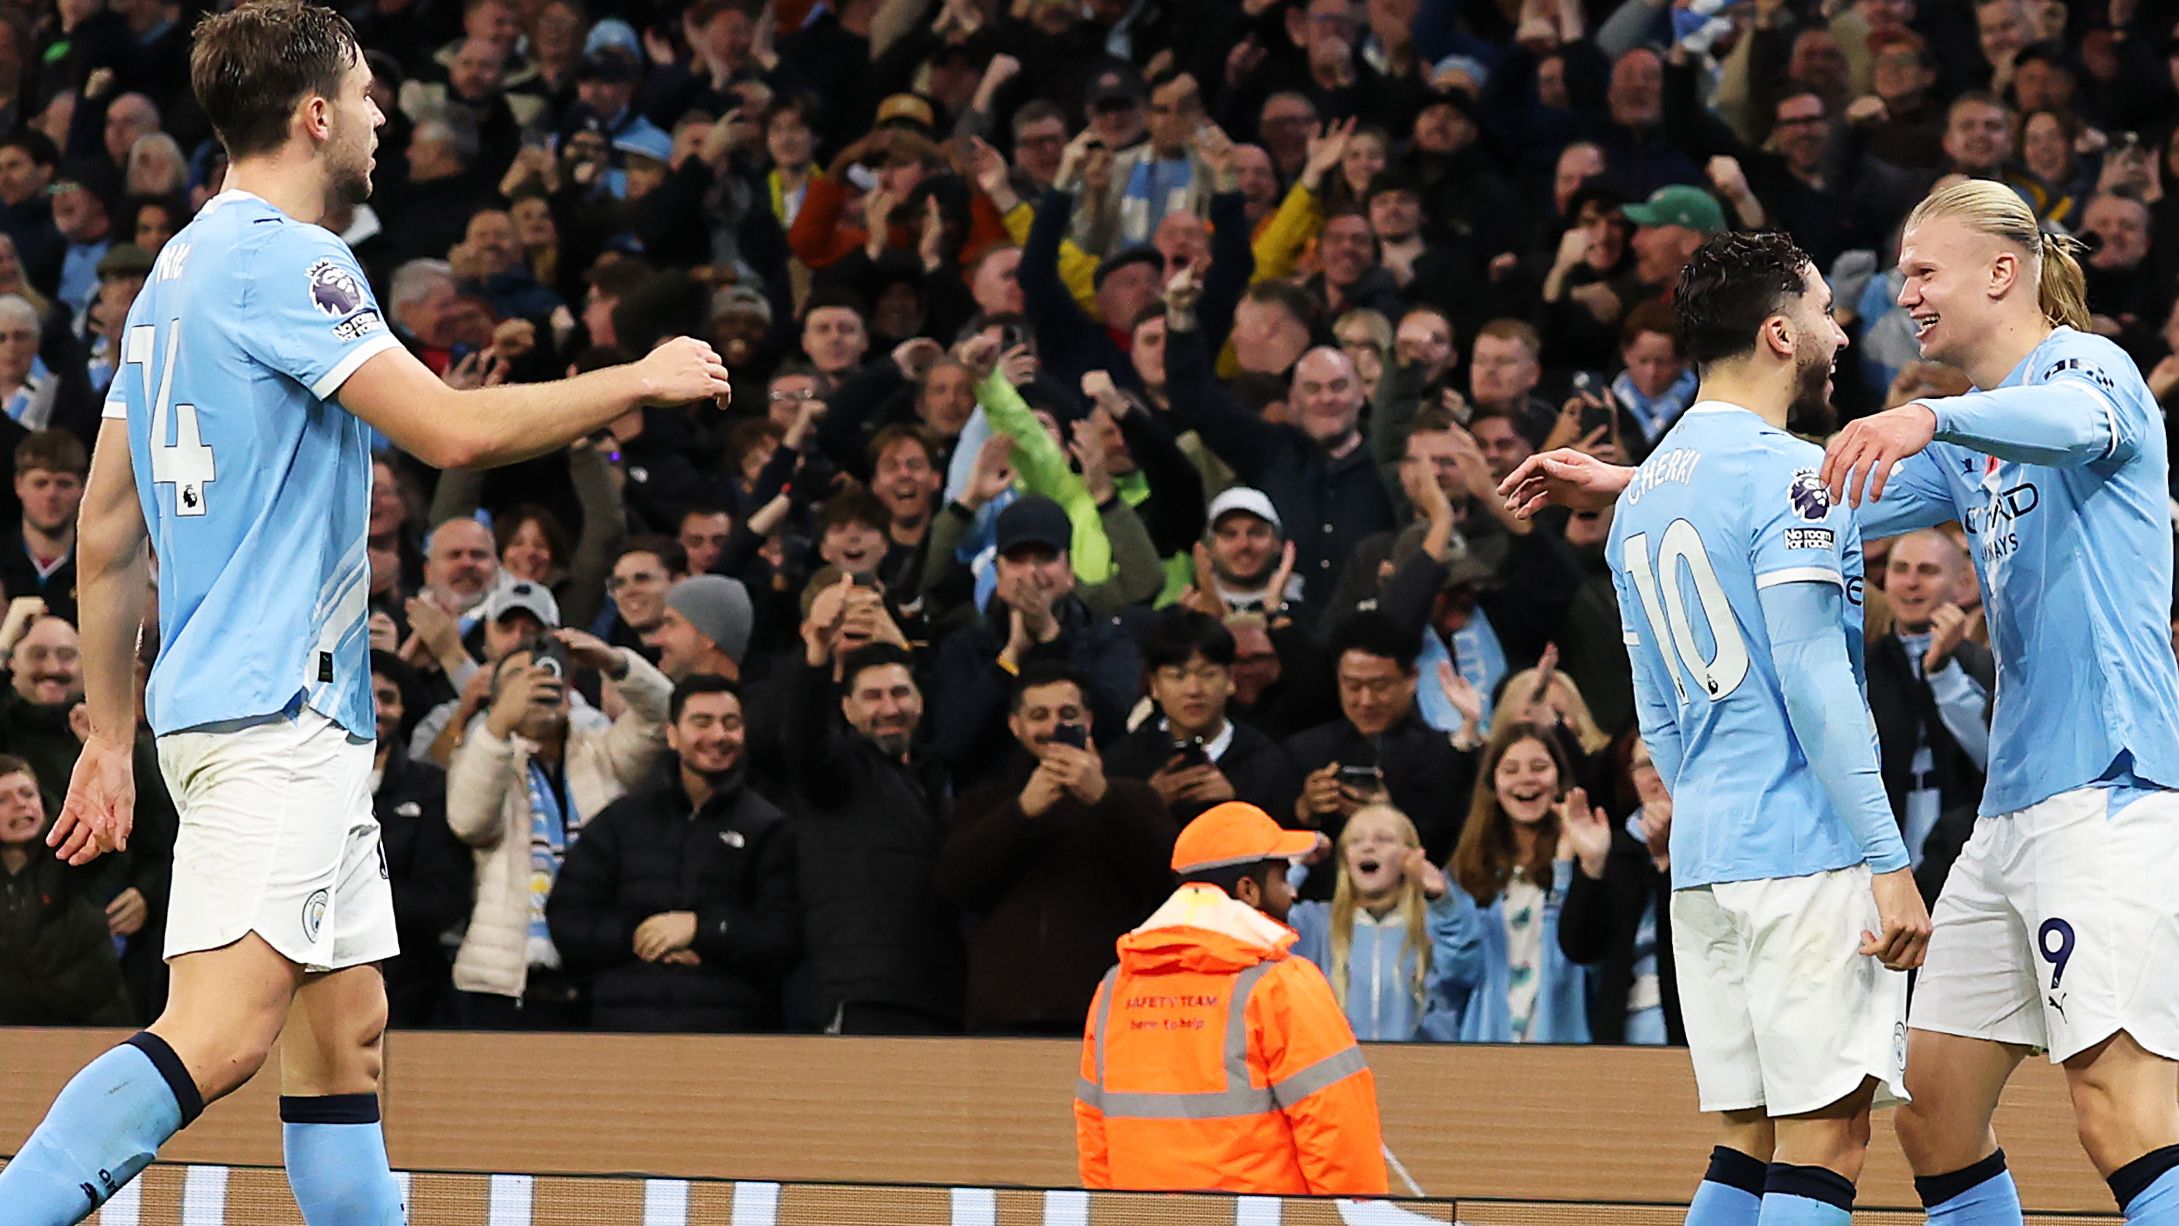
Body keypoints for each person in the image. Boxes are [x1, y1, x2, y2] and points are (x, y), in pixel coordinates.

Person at [0, 4, 731, 1221]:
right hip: (273, 708)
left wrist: (111, 735)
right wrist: (635, 379)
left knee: (346, 1047)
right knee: (223, 1033)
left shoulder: (177, 269)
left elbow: (107, 525)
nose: (387, 116)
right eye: (368, 93)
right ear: (316, 113)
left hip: (267, 712)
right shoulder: (290, 258)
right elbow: (446, 427)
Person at [1505, 183, 2179, 1225]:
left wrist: (1925, 410)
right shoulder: (1966, 448)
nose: (1899, 294)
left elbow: (2079, 422)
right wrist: (1642, 476)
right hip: (2009, 813)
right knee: (1935, 1111)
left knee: (2116, 1106)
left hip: (2109, 792)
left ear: (2001, 272)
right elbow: (1800, 487)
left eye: (1921, 270)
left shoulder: (2083, 368)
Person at [1608, 229, 1926, 1225]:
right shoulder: (1795, 475)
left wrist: (1699, 814)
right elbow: (1814, 680)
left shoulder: (1638, 497)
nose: (1840, 330)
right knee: (1825, 1136)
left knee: (1747, 1137)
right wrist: (1887, 858)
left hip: (1706, 857)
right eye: (1827, 310)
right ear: (1779, 331)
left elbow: (1652, 706)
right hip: (1803, 853)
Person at [1074, 800, 1389, 1196]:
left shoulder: (1115, 986)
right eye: (1283, 876)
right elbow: (1338, 1130)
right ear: (1248, 890)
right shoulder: (1282, 983)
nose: (1291, 892)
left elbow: (1094, 1133)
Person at [545, 674, 800, 1033]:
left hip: (729, 1032)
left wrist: (701, 930)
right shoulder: (622, 820)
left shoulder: (768, 827)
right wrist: (644, 935)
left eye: (731, 724)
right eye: (702, 722)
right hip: (621, 1029)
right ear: (672, 734)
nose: (718, 736)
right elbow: (567, 917)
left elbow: (782, 937)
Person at [936, 663, 1176, 1034]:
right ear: (1015, 725)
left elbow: (1165, 878)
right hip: (1000, 1015)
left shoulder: (1134, 796)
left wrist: (1102, 798)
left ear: (1089, 720)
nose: (1052, 727)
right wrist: (1022, 811)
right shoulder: (983, 802)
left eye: (1067, 715)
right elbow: (956, 884)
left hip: (1103, 1013)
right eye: (1038, 716)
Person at [1287, 802, 1478, 1042]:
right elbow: (1258, 926)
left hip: (1418, 1071)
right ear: (1346, 858)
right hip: (1340, 1073)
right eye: (1355, 841)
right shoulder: (1315, 923)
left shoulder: (1434, 925)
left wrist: (1441, 902)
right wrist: (1296, 865)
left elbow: (1462, 970)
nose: (1368, 846)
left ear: (1411, 856)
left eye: (1384, 839)